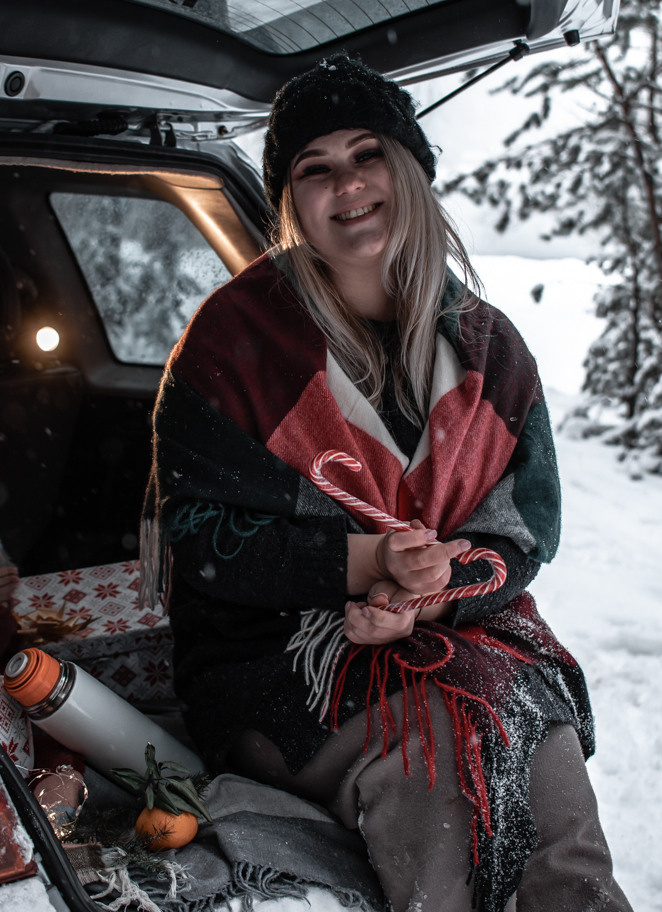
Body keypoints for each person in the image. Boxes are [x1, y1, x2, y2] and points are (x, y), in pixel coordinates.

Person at [140, 54, 633, 912]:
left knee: (543, 750)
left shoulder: (491, 349)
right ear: (291, 201)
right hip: (276, 665)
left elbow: (522, 531)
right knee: (434, 760)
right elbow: (200, 538)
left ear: (408, 170)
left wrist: (435, 592)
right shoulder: (232, 345)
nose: (349, 185)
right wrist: (365, 564)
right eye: (315, 168)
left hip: (459, 634)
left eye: (368, 154)